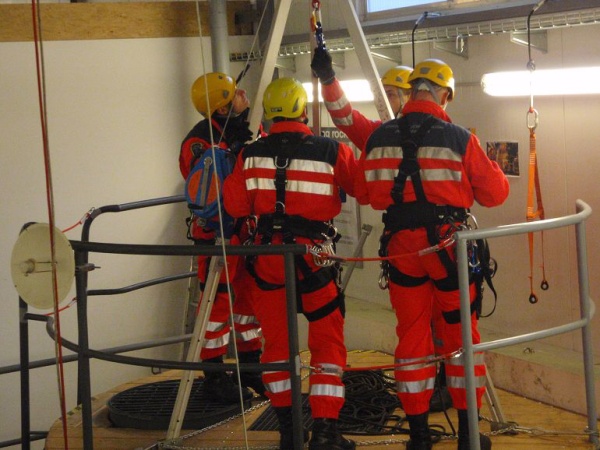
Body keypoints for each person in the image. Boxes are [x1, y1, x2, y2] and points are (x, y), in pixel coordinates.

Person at [355, 59, 509, 450]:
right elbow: (495, 194)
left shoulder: (379, 138)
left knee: (412, 337)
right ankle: (469, 435)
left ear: (411, 92)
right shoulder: (459, 138)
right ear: (444, 95)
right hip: (447, 249)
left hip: (400, 250)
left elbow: (363, 192)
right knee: (461, 336)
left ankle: (419, 436)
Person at [311, 47, 452, 414]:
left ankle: (443, 386)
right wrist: (329, 81)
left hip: (430, 239)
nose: (385, 100)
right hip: (416, 242)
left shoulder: (437, 133)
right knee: (420, 324)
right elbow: (346, 117)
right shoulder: (382, 134)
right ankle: (428, 392)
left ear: (409, 94)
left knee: (442, 321)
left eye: (391, 93)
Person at [223, 77, 358, 450]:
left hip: (267, 259)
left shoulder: (249, 154)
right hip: (315, 258)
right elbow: (362, 189)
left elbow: (234, 206)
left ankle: (289, 432)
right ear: (303, 111)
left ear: (269, 112)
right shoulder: (331, 150)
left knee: (277, 348)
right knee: (327, 344)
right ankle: (326, 433)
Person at [179, 72, 266, 402]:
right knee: (217, 304)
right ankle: (214, 376)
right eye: (234, 94)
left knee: (247, 304)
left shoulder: (247, 130)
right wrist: (238, 149)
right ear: (221, 108)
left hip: (245, 234)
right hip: (217, 235)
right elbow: (208, 190)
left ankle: (251, 367)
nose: (243, 94)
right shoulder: (200, 142)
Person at [310, 46, 412, 151]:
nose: (384, 101)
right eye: (382, 96)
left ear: (409, 97)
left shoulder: (423, 134)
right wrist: (328, 78)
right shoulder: (377, 133)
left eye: (390, 95)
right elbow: (346, 118)